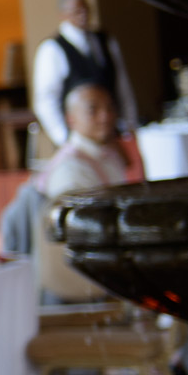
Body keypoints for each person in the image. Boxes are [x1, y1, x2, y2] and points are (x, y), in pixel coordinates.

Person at [35, 79, 137, 303]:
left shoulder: (107, 154)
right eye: (93, 110)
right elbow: (77, 236)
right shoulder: (71, 168)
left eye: (110, 108)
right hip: (81, 277)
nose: (106, 116)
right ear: (71, 119)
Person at [31, 0, 139, 148]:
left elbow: (122, 85)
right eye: (76, 11)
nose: (82, 15)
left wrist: (129, 124)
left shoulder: (106, 41)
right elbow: (46, 100)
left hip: (112, 133)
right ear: (63, 15)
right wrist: (63, 136)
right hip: (78, 138)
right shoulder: (51, 49)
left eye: (85, 10)